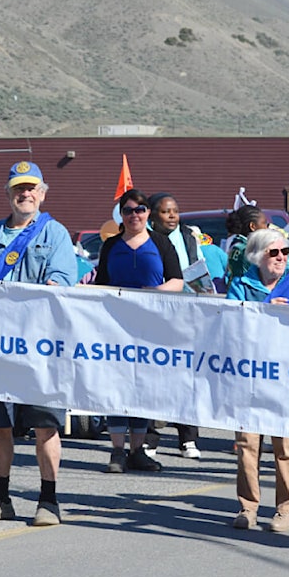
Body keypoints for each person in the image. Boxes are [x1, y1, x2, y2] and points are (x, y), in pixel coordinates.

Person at [0, 160, 78, 527]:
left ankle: (48, 501)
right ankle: (0, 498)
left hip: (39, 348)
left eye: (30, 188)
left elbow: (61, 283)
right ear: (8, 193)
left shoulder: (54, 234)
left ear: (42, 194)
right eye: (17, 188)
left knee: (45, 426)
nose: (24, 194)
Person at [227, 228, 289, 533]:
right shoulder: (240, 285)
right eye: (273, 252)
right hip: (249, 376)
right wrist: (264, 313)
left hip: (285, 377)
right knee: (247, 444)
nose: (281, 258)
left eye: (285, 252)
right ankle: (247, 506)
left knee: (286, 446)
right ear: (257, 256)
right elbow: (229, 324)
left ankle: (286, 509)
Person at [95, 188, 184, 473]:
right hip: (116, 327)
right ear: (120, 215)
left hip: (151, 327)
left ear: (147, 213)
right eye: (128, 210)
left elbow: (177, 282)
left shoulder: (161, 243)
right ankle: (118, 451)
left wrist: (156, 292)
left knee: (143, 387)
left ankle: (138, 450)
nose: (134, 215)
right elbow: (101, 284)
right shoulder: (110, 246)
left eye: (140, 210)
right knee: (117, 386)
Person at [148, 192, 205, 459]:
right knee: (154, 375)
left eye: (175, 211)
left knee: (186, 375)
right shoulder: (145, 240)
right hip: (156, 313)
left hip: (187, 313)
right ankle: (150, 438)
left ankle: (187, 438)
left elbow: (199, 269)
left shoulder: (188, 237)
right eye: (165, 211)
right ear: (152, 215)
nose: (172, 216)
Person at [224, 204, 268, 286]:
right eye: (265, 223)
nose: (267, 228)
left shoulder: (236, 244)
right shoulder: (248, 250)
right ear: (253, 226)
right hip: (244, 294)